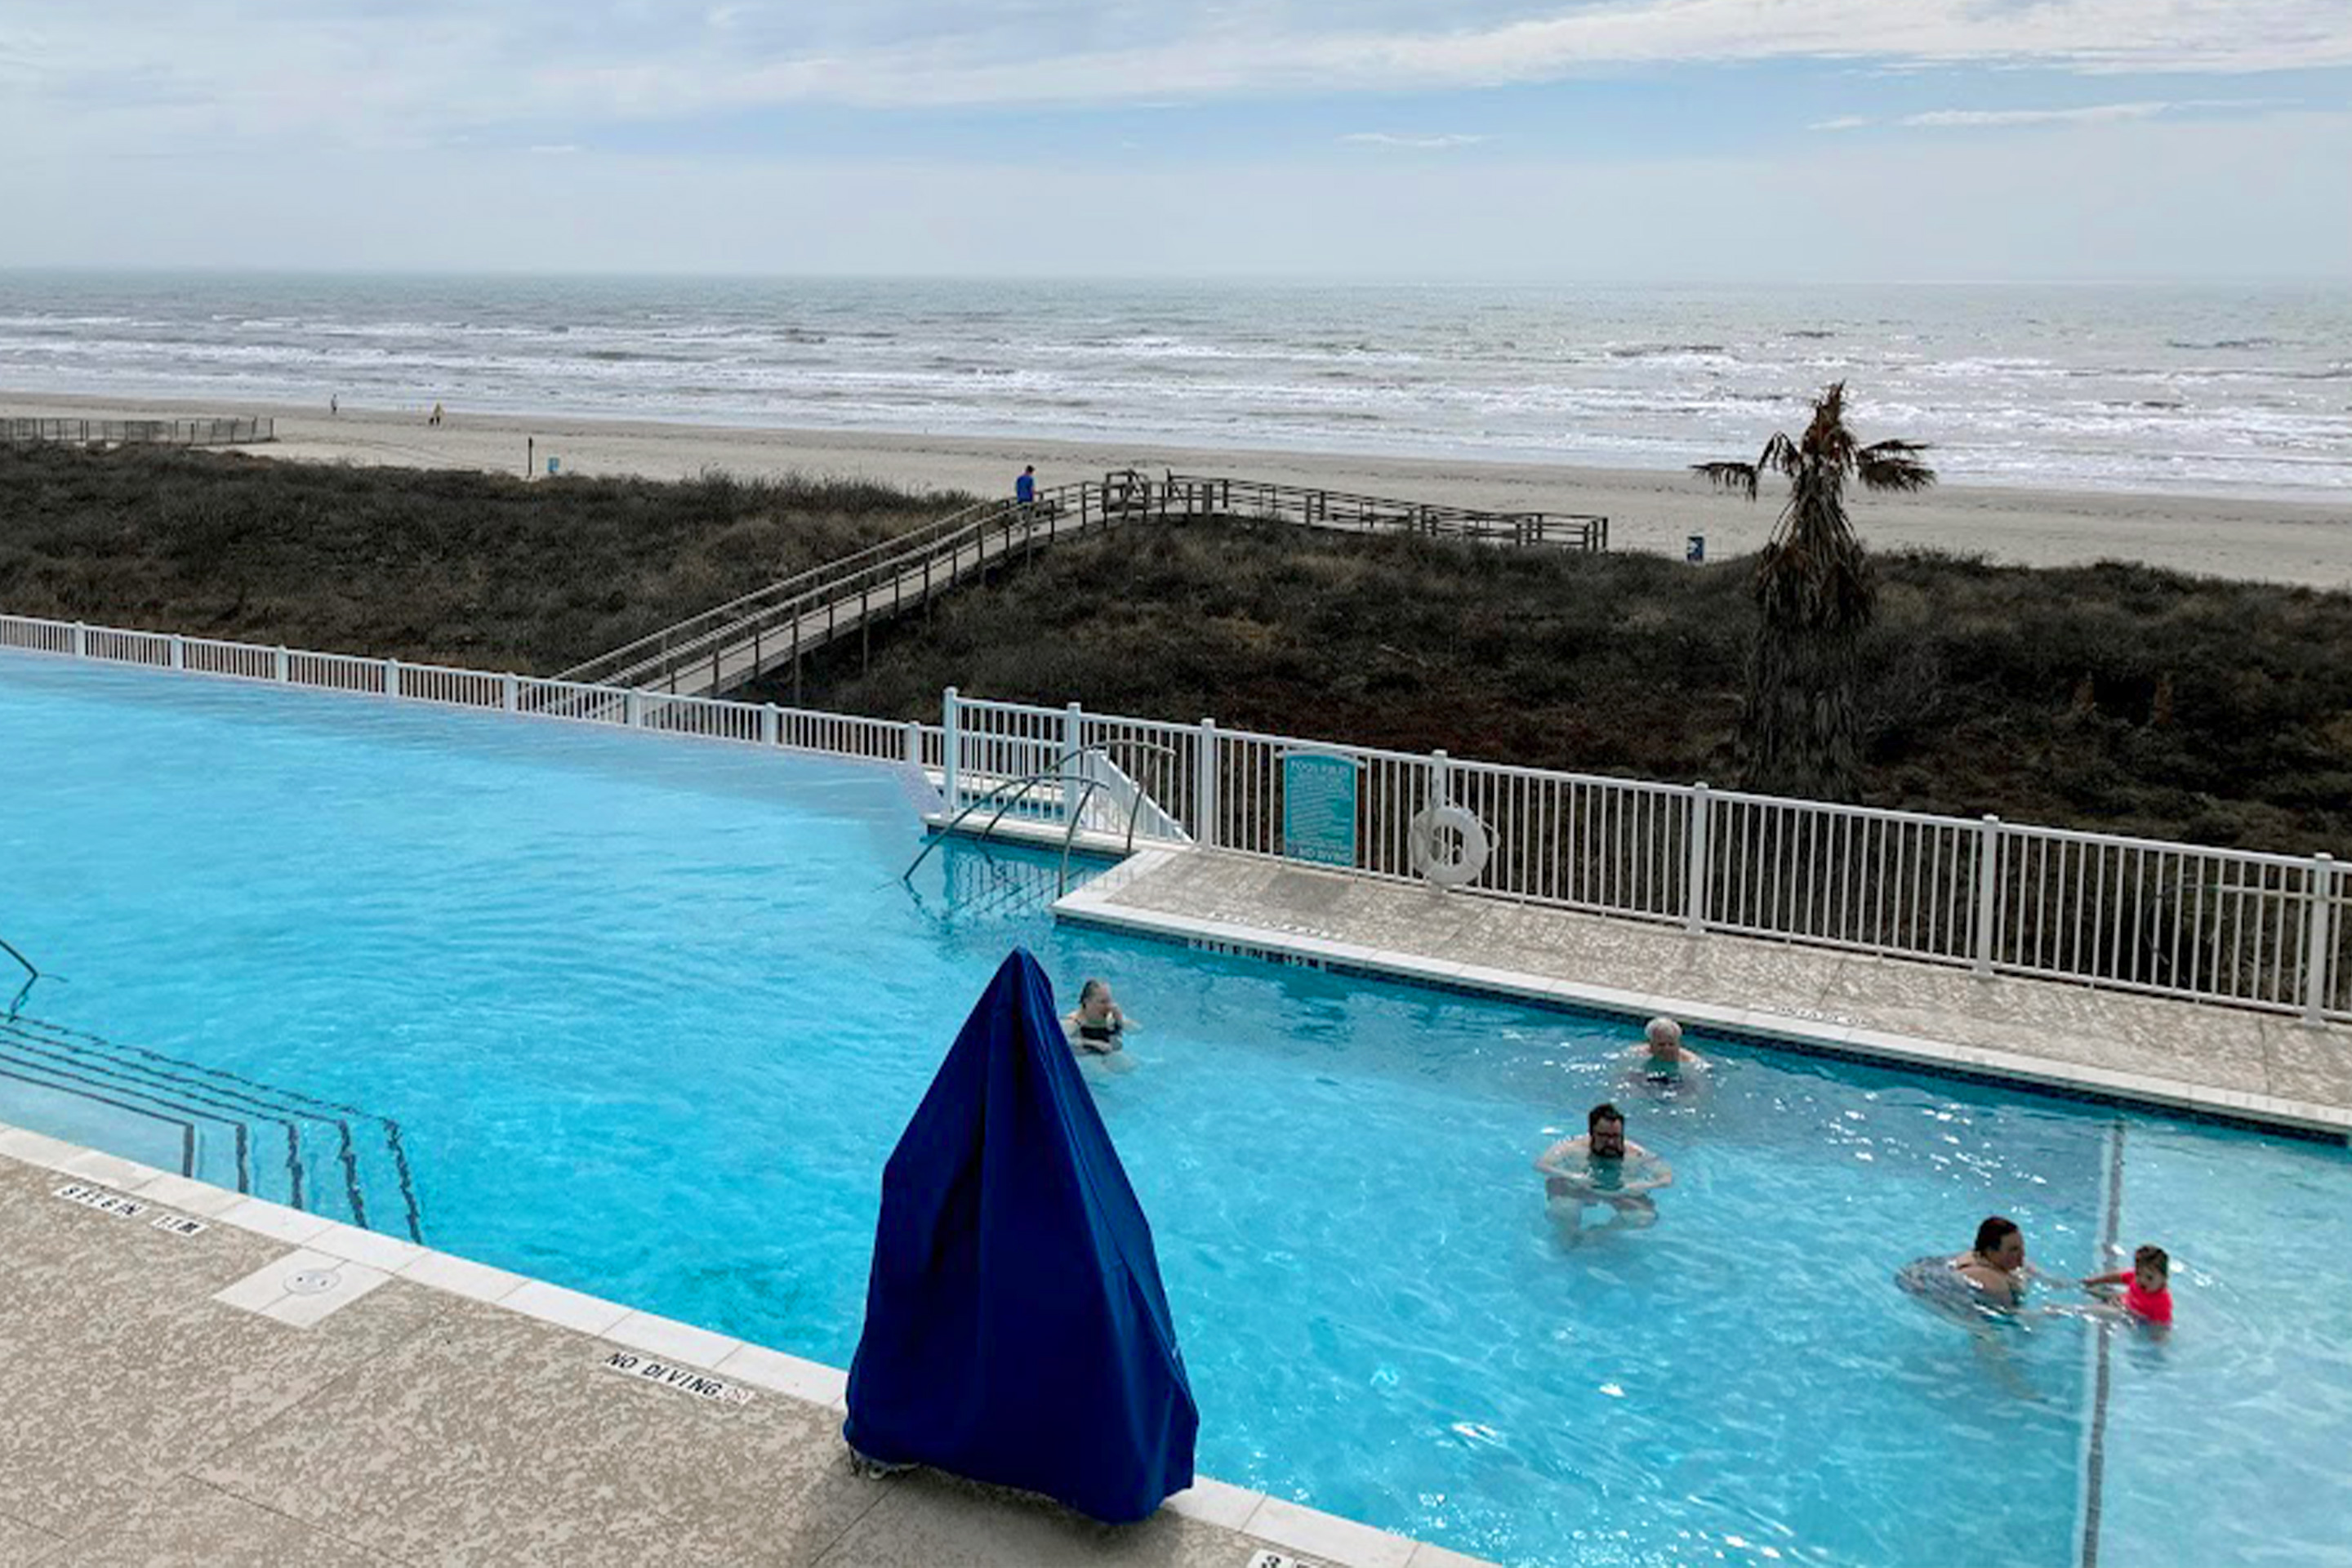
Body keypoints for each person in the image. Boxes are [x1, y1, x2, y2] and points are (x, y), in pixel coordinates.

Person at [1535, 1102, 1673, 1235]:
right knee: (1563, 1210)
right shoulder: (1572, 1147)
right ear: (1591, 1133)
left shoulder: (1636, 1153)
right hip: (1581, 1189)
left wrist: (1640, 1185)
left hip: (1619, 1193)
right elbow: (1542, 1165)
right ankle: (1569, 1236)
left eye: (1615, 1136)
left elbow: (1667, 1178)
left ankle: (1599, 1234)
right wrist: (1573, 1177)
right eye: (1604, 1136)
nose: (1611, 1142)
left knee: (1644, 1218)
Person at [1900, 1215, 2041, 1312]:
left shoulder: (1979, 1254)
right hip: (1929, 1288)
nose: (2022, 1254)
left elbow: (2024, 1264)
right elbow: (2010, 1315)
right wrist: (2045, 1313)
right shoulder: (1992, 1280)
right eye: (2013, 1250)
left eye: (2021, 1247)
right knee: (1986, 1331)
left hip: (1925, 1269)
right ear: (1991, 1251)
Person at [2082, 1245, 2174, 1326]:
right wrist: (2094, 1281)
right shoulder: (2137, 1278)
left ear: (2164, 1279)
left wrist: (2158, 1338)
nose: (2142, 1280)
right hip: (2124, 1300)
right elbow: (2117, 1277)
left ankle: (2072, 1310)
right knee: (2091, 1289)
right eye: (2138, 1274)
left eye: (2149, 1278)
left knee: (2092, 1311)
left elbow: (2162, 1326)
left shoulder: (2162, 1304)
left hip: (2132, 1316)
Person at [1061, 978, 1135, 1057]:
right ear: (1087, 1002)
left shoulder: (1110, 1017)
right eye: (1103, 1002)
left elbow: (1137, 1030)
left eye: (1109, 1001)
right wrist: (1092, 1043)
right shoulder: (1072, 1023)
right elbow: (1060, 1041)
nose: (1108, 1006)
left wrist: (1119, 1020)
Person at [1627, 1016, 1704, 1082]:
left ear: (1678, 1044)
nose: (1667, 1049)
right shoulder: (1637, 1053)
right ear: (1651, 1044)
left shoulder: (1691, 1061)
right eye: (1661, 1045)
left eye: (1671, 1044)